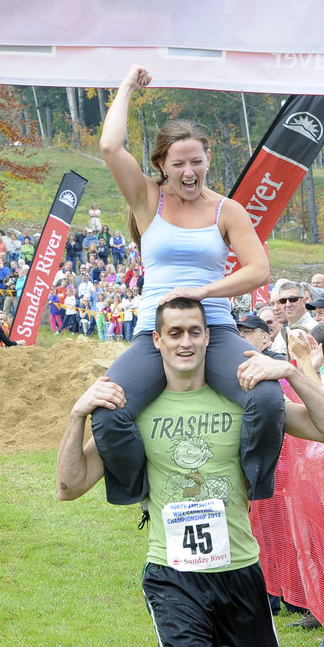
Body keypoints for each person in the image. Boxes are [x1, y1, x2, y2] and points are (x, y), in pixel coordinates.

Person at [57, 298, 324, 647]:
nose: (186, 341)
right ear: (157, 341)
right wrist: (76, 417)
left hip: (240, 574)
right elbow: (69, 486)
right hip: (174, 578)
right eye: (174, 333)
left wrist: (293, 374)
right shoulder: (138, 411)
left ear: (208, 337)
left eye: (194, 331)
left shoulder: (242, 401)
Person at [91, 64, 285, 507]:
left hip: (213, 330)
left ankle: (251, 488)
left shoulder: (228, 210)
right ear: (162, 165)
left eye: (197, 161)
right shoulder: (146, 199)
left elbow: (258, 271)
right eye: (179, 163)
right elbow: (109, 145)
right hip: (152, 334)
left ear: (208, 160)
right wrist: (125, 86)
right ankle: (141, 493)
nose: (190, 171)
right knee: (107, 411)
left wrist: (203, 292)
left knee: (268, 399)